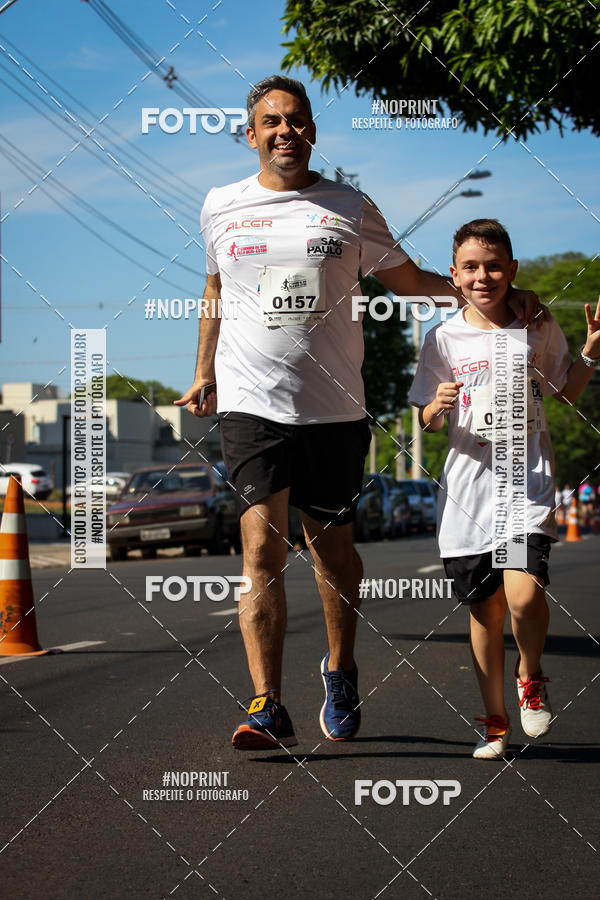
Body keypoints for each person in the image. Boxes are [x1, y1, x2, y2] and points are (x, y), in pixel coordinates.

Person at [175, 76, 539, 751]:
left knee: (333, 553)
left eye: (298, 120)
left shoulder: (348, 206)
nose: (286, 131)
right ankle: (266, 703)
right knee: (260, 550)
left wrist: (493, 295)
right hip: (252, 403)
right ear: (250, 134)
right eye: (272, 121)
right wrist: (203, 371)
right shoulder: (220, 205)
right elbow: (216, 287)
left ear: (313, 130)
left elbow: (408, 282)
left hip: (335, 409)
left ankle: (340, 668)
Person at [409, 219, 600, 760]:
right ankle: (494, 723)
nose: (483, 276)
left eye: (493, 266)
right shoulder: (441, 337)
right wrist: (435, 407)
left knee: (524, 594)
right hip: (468, 496)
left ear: (511, 270)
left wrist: (590, 354)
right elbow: (423, 419)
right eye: (471, 267)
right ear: (454, 275)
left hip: (525, 485)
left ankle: (531, 673)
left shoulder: (536, 325)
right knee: (485, 614)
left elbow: (563, 394)